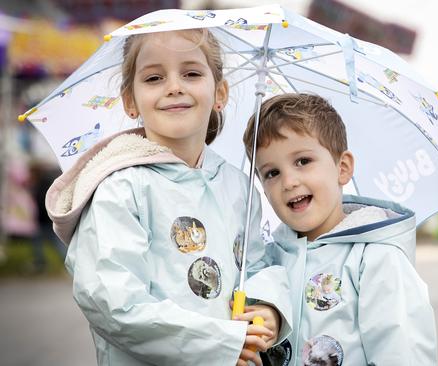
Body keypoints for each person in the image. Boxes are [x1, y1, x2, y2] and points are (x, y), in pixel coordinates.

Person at [45, 29, 292, 366]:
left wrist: (267, 307)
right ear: (130, 101)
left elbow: (258, 263)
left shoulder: (237, 184)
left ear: (219, 93)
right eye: (154, 77)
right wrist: (220, 343)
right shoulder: (121, 188)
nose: (174, 86)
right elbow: (113, 303)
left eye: (191, 73)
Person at [242, 93, 438, 365]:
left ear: (342, 168)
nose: (288, 181)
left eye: (302, 161)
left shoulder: (375, 257)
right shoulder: (266, 262)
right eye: (271, 173)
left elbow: (401, 351)